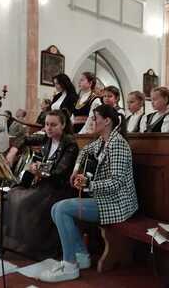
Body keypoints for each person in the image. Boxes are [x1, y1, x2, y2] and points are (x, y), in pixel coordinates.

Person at [38, 104, 138, 283]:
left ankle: (70, 265)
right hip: (104, 199)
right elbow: (84, 150)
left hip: (117, 204)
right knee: (56, 209)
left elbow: (116, 183)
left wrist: (89, 184)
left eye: (95, 118)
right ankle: (81, 255)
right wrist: (76, 169)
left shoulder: (118, 145)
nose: (92, 121)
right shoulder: (102, 140)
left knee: (61, 209)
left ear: (106, 121)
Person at [0, 110, 79, 261]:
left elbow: (59, 173)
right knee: (9, 195)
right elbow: (22, 138)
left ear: (63, 125)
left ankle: (22, 243)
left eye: (53, 125)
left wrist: (40, 170)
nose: (48, 128)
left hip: (57, 189)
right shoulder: (46, 138)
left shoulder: (70, 144)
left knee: (23, 201)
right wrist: (12, 152)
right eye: (46, 124)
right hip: (43, 184)